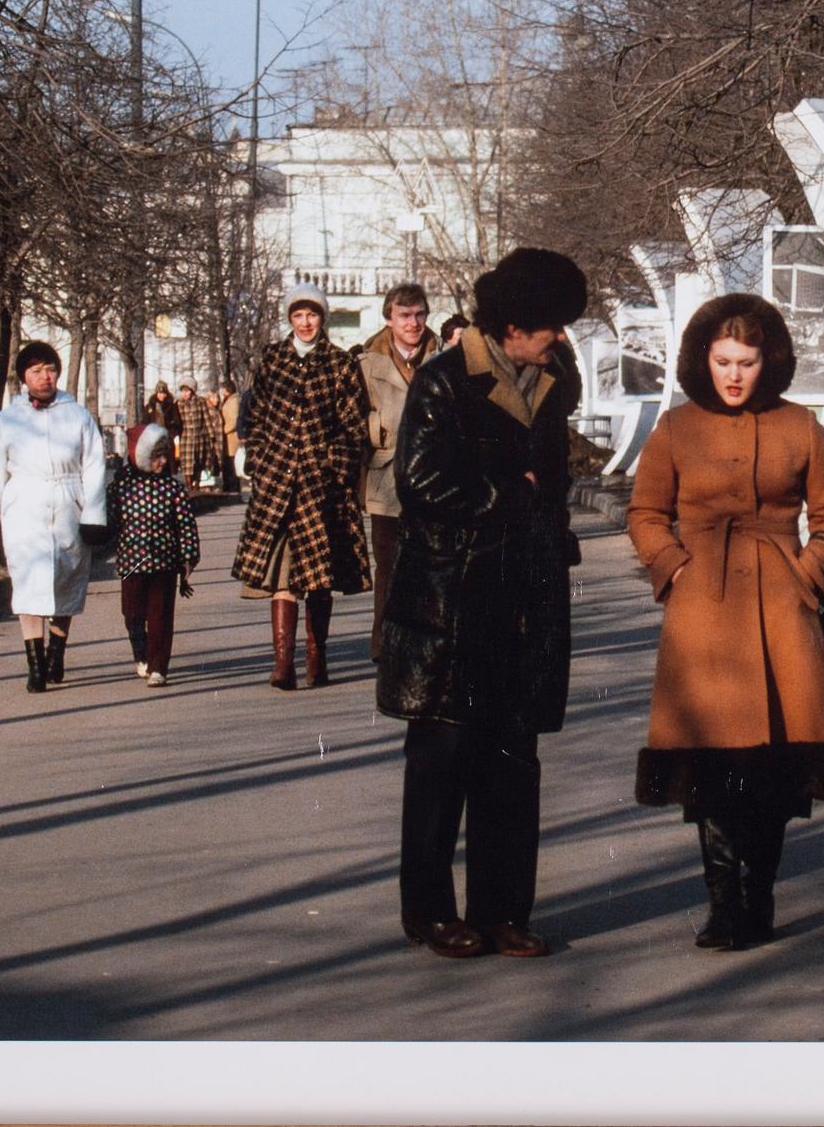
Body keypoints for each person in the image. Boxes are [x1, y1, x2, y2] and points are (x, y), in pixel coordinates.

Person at [626, 292, 824, 950]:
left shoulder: (802, 428)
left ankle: (756, 898)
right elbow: (645, 513)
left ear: (771, 362)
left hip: (780, 612)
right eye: (722, 361)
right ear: (702, 361)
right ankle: (722, 906)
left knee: (771, 775)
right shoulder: (675, 429)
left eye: (747, 362)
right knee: (712, 775)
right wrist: (673, 567)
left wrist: (809, 571)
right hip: (702, 614)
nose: (733, 375)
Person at [377, 248, 587, 959]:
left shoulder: (553, 383)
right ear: (512, 325)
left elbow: (553, 476)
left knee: (513, 760)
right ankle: (430, 913)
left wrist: (537, 501)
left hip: (524, 596)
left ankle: (504, 910)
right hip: (453, 599)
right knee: (441, 760)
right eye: (548, 327)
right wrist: (510, 490)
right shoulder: (443, 381)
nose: (557, 338)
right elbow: (421, 481)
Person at [232, 282, 372, 690]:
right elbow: (254, 414)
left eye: (311, 315)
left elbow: (353, 423)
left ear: (322, 317)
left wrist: (335, 465)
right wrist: (258, 457)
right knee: (282, 576)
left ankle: (317, 656)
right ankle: (282, 663)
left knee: (319, 576)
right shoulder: (273, 360)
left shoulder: (340, 363)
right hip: (278, 486)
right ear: (289, 318)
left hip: (321, 486)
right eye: (298, 315)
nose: (305, 322)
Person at [0, 341, 109, 694]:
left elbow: (94, 467)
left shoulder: (78, 416)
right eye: (35, 372)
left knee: (66, 580)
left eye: (49, 370)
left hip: (68, 505)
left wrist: (93, 513)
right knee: (28, 583)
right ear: (23, 378)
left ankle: (56, 653)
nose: (44, 378)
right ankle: (35, 667)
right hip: (25, 509)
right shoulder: (8, 419)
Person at [355, 282, 441, 663]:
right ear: (389, 319)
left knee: (432, 562)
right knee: (388, 565)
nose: (414, 323)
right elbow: (353, 418)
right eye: (405, 315)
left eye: (420, 314)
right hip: (386, 476)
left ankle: (426, 641)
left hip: (435, 476)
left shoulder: (444, 357)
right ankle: (384, 641)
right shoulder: (365, 363)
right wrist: (375, 429)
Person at [110, 423, 200, 689]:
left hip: (164, 563)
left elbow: (186, 525)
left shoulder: (173, 490)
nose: (162, 462)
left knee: (160, 615)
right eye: (155, 456)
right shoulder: (121, 488)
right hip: (131, 562)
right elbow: (109, 521)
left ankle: (159, 666)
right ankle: (141, 654)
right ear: (140, 456)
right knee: (132, 614)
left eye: (165, 455)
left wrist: (188, 557)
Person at [177, 379, 222, 488]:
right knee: (187, 464)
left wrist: (211, 435)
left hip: (200, 437)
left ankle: (196, 483)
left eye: (187, 391)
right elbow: (178, 421)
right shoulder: (179, 403)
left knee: (199, 461)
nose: (185, 393)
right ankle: (188, 485)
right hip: (186, 438)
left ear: (192, 391)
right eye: (183, 391)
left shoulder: (200, 401)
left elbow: (206, 418)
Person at [218, 379, 243, 494]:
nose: (222, 391)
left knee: (231, 465)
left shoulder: (233, 402)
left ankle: (233, 489)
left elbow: (233, 421)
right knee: (228, 465)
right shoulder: (228, 400)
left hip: (231, 439)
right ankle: (229, 488)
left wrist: (223, 431)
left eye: (224, 389)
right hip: (228, 439)